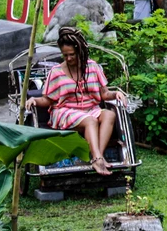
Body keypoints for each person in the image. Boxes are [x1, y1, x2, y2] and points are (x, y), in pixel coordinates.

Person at [25, 28, 127, 176]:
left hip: (91, 109)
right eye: (65, 55)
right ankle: (98, 159)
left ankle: (98, 156)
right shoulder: (56, 72)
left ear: (80, 52)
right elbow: (48, 99)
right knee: (91, 121)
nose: (68, 58)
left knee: (109, 115)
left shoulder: (92, 67)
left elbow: (104, 94)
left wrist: (116, 93)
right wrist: (34, 99)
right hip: (65, 111)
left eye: (72, 54)